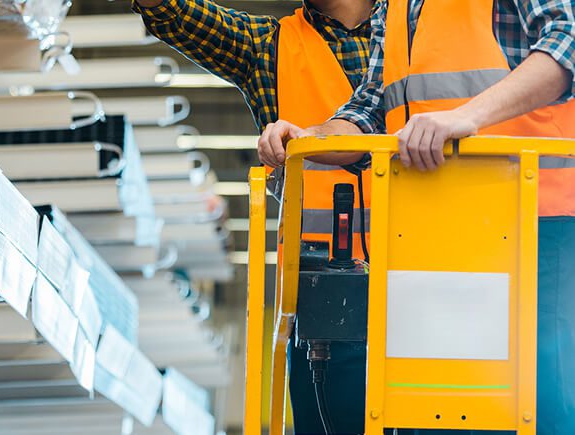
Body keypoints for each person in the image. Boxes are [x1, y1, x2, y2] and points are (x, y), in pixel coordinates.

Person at [258, 0, 574, 434]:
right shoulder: (396, 6)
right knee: (439, 410)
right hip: (432, 237)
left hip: (535, 223)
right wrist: (309, 136)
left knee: (541, 403)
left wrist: (465, 117)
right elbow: (369, 108)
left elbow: (566, 43)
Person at [133, 1, 379, 433]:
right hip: (321, 300)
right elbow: (172, 12)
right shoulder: (267, 47)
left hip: (424, 283)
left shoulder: (416, 32)